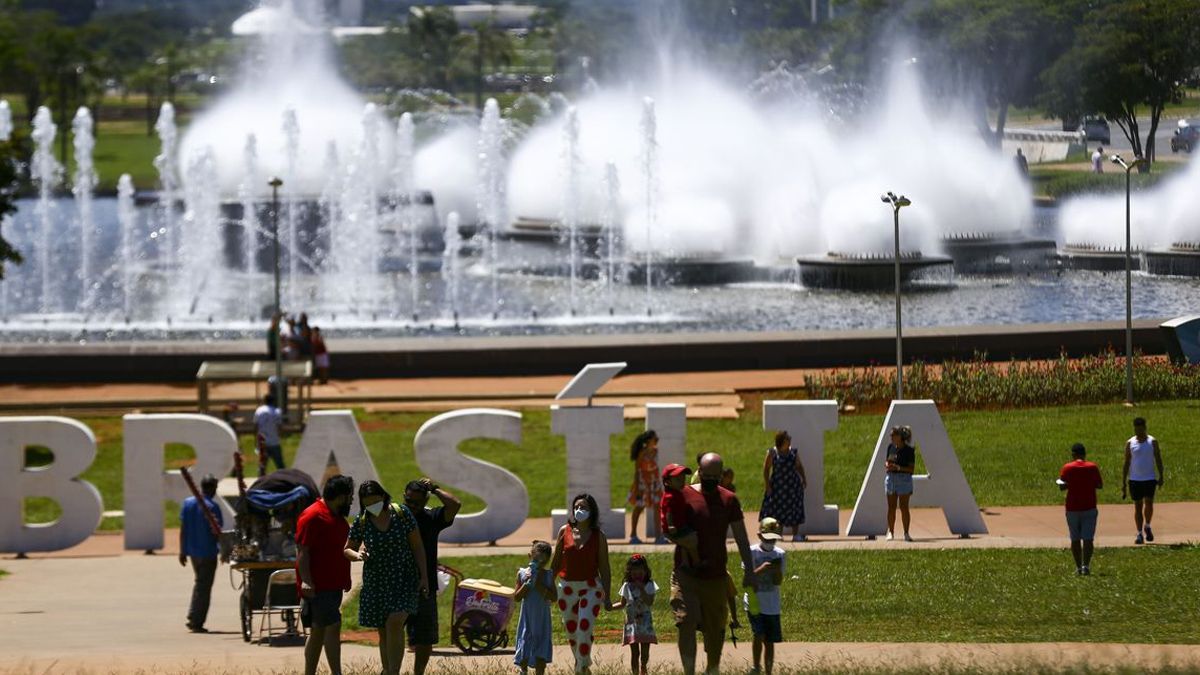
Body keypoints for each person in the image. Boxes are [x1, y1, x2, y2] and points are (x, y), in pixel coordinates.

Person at [668, 452, 755, 675]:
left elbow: (741, 537)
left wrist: (750, 570)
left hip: (715, 575)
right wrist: (682, 540)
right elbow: (669, 528)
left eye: (717, 477)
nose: (712, 480)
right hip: (686, 573)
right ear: (700, 471)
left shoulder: (729, 500)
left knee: (715, 629)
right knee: (685, 622)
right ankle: (689, 671)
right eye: (708, 475)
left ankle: (712, 669)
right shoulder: (683, 495)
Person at [344, 480, 428, 675]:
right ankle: (387, 669)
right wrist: (357, 556)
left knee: (395, 621)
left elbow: (417, 546)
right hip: (377, 582)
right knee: (384, 631)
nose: (372, 505)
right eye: (367, 502)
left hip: (404, 578)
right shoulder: (362, 520)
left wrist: (424, 576)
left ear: (383, 496)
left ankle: (393, 671)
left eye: (376, 500)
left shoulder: (401, 514)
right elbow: (348, 548)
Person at [297, 474, 355, 675]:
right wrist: (306, 581)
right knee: (332, 625)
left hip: (333, 585)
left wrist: (344, 579)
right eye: (350, 496)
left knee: (319, 630)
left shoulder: (336, 515)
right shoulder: (313, 515)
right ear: (340, 497)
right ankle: (337, 672)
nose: (352, 500)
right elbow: (302, 551)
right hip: (318, 586)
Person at [403, 478, 461, 675]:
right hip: (398, 585)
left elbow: (455, 505)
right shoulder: (396, 518)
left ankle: (418, 672)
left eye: (416, 503)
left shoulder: (431, 518)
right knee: (392, 633)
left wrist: (435, 488)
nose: (411, 506)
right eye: (408, 501)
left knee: (425, 638)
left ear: (425, 501)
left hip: (425, 587)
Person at [550, 493, 613, 674]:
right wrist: (548, 587)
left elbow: (605, 568)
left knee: (584, 628)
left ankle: (579, 669)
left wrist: (607, 595)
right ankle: (583, 667)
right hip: (566, 588)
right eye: (577, 507)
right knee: (572, 633)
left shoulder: (598, 536)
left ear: (592, 511)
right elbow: (555, 564)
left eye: (584, 507)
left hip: (591, 588)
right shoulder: (564, 531)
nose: (580, 510)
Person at [179, 473, 223, 633]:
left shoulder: (187, 503)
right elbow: (218, 533)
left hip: (193, 552)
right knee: (204, 587)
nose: (215, 491)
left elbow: (183, 529)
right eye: (215, 488)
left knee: (200, 584)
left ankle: (193, 615)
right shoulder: (212, 507)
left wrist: (182, 551)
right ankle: (196, 621)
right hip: (208, 552)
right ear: (210, 488)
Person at [744, 517, 785, 675]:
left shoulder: (780, 554)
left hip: (772, 604)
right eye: (768, 538)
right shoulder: (752, 552)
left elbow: (778, 582)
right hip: (754, 602)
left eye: (774, 539)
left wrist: (776, 572)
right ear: (759, 535)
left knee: (769, 640)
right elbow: (746, 580)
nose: (771, 542)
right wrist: (760, 569)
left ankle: (768, 670)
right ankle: (756, 666)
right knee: (758, 634)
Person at [513, 540, 556, 675]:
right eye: (536, 560)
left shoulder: (548, 575)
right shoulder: (521, 574)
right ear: (529, 556)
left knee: (540, 657)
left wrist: (538, 584)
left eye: (543, 562)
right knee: (525, 646)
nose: (539, 564)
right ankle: (523, 670)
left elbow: (554, 597)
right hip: (527, 619)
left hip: (542, 620)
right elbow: (517, 597)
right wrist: (527, 583)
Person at [1059, 443, 1103, 575]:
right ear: (1084, 454)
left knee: (1075, 538)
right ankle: (1086, 566)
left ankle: (1078, 567)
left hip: (1072, 507)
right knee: (1088, 539)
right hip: (1089, 506)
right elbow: (1099, 485)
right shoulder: (1092, 467)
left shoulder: (1067, 467)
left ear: (1073, 454)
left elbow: (1062, 486)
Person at [611, 553, 658, 675]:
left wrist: (642, 589)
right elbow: (622, 604)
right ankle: (635, 672)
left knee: (645, 652)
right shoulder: (627, 586)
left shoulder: (650, 585)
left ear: (645, 571)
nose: (637, 575)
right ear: (629, 573)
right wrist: (610, 606)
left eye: (640, 572)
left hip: (645, 624)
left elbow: (650, 601)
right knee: (634, 653)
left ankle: (643, 666)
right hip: (632, 624)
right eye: (634, 573)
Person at [1122, 417, 1164, 545]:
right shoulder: (1130, 443)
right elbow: (1126, 462)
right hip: (1135, 479)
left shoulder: (1152, 442)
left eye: (1140, 429)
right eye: (1136, 429)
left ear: (1145, 428)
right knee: (1138, 506)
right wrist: (1123, 481)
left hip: (1149, 478)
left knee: (1149, 504)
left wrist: (1161, 475)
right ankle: (1139, 533)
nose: (1138, 432)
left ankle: (1148, 525)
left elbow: (1158, 459)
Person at [760, 431, 808, 542]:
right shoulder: (772, 453)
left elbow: (799, 467)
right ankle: (778, 534)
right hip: (778, 487)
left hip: (793, 487)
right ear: (782, 441)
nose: (789, 440)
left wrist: (804, 478)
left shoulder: (793, 453)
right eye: (787, 439)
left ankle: (795, 535)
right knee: (777, 510)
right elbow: (766, 469)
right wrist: (767, 485)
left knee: (794, 509)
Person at [626, 430, 663, 544]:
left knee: (658, 508)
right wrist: (637, 487)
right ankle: (633, 535)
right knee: (639, 508)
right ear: (648, 441)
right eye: (654, 439)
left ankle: (658, 536)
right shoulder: (642, 453)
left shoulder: (656, 452)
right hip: (643, 484)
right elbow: (637, 471)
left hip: (654, 484)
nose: (656, 441)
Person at [660, 463, 699, 565]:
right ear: (667, 482)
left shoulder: (677, 493)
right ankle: (697, 562)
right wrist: (671, 525)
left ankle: (685, 563)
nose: (682, 482)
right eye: (678, 480)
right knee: (693, 540)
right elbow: (668, 512)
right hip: (675, 527)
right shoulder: (670, 496)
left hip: (680, 524)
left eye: (683, 479)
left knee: (685, 544)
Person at [884, 425, 915, 542]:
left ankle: (906, 533)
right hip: (891, 478)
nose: (891, 436)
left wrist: (897, 467)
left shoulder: (909, 451)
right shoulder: (890, 447)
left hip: (904, 479)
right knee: (891, 507)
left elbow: (911, 469)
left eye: (893, 434)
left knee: (904, 507)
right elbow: (888, 460)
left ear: (900, 436)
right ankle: (891, 532)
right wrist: (888, 465)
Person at [254, 392, 285, 473]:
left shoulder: (259, 411)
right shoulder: (277, 411)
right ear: (273, 401)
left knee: (262, 465)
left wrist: (256, 440)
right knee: (280, 464)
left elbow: (256, 427)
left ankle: (260, 482)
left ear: (264, 400)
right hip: (274, 441)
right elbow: (279, 427)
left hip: (262, 442)